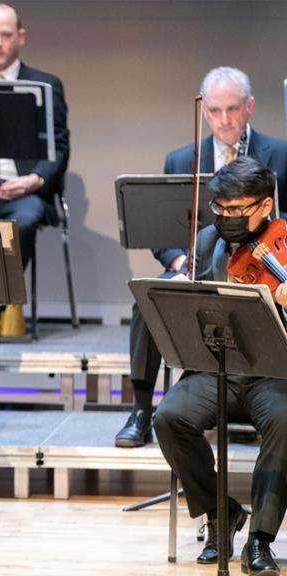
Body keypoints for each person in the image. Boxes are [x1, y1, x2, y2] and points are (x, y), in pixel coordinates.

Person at [118, 67, 287, 447]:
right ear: (204, 112)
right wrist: (183, 265)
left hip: (264, 266)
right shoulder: (180, 159)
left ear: (250, 107)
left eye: (233, 109)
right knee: (150, 296)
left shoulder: (281, 153)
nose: (225, 120)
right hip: (200, 263)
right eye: (215, 110)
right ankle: (141, 409)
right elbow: (164, 233)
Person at [154, 157, 287, 574]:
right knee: (169, 418)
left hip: (275, 374)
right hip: (217, 369)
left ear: (265, 206)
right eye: (220, 208)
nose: (226, 218)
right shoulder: (208, 240)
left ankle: (260, 540)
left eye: (237, 210)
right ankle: (221, 512)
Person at [0, 3, 70, 345]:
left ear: (20, 37)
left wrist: (34, 180)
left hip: (22, 191)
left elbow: (60, 147)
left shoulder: (46, 85)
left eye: (5, 35)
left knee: (24, 220)